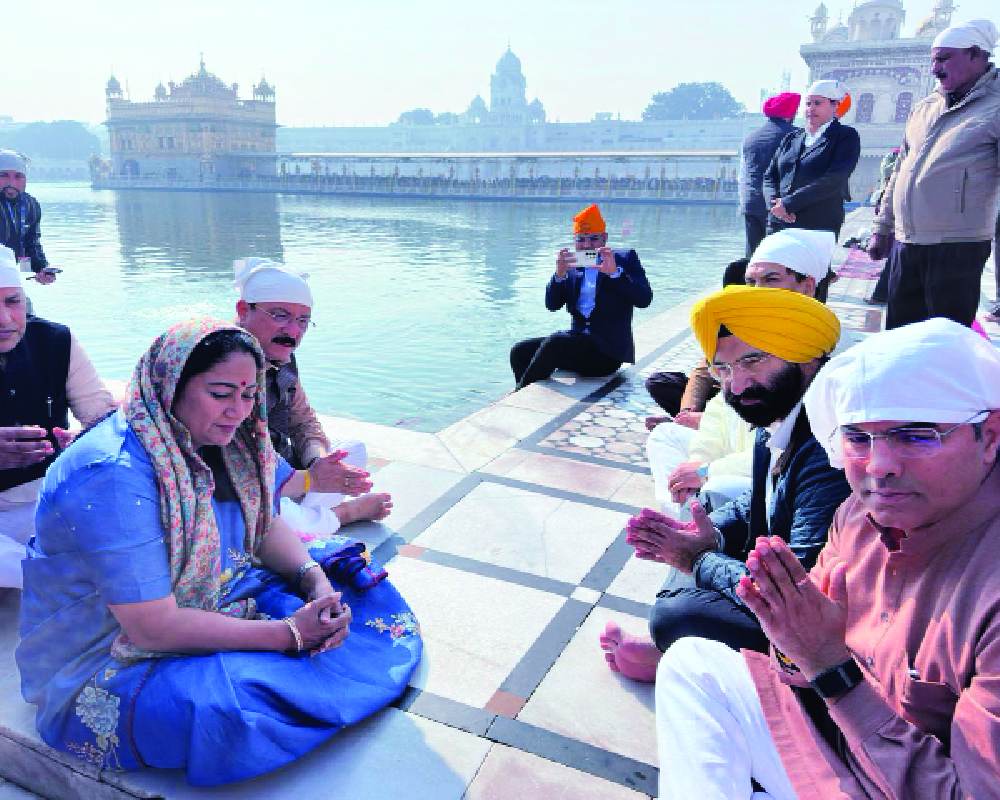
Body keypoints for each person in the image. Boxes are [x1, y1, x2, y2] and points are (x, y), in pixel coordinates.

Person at [16, 320, 421, 786]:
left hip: (214, 589)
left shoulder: (229, 439)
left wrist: (315, 585)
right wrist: (289, 633)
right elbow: (151, 627)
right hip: (108, 649)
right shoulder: (112, 475)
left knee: (350, 586)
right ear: (172, 386)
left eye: (249, 394)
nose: (238, 410)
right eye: (221, 392)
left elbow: (262, 523)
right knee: (229, 710)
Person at [655, 318, 1000, 799]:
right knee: (693, 663)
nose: (879, 467)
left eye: (916, 435)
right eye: (858, 438)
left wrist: (829, 666)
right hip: (835, 737)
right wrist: (795, 639)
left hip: (900, 779)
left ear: (990, 436)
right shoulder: (859, 515)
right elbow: (799, 655)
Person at [602, 287, 849, 682]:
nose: (738, 385)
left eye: (753, 360)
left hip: (829, 626)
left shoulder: (829, 449)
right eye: (725, 369)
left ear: (805, 356)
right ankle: (677, 646)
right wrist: (708, 533)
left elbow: (798, 597)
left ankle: (679, 654)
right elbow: (763, 496)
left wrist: (699, 560)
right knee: (698, 537)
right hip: (783, 569)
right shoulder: (781, 416)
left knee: (676, 616)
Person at [234, 257, 393, 537]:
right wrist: (309, 480)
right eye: (280, 315)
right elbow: (236, 470)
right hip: (247, 483)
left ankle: (309, 519)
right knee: (265, 518)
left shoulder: (282, 359)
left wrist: (319, 463)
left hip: (289, 474)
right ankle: (343, 514)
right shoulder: (226, 364)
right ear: (244, 310)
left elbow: (304, 423)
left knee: (353, 450)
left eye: (303, 320)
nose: (294, 332)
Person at [869, 20, 1000, 329]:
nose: (935, 69)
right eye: (933, 60)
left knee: (944, 338)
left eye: (944, 58)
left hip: (958, 246)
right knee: (900, 335)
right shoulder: (924, 108)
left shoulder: (994, 107)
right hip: (907, 242)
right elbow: (901, 170)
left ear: (976, 56)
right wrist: (883, 227)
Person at [0, 246, 114, 588]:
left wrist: (85, 443)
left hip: (47, 501)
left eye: (12, 302)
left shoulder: (55, 341)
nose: (5, 319)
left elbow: (107, 422)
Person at [509, 204, 652, 390]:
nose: (586, 245)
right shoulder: (572, 264)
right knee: (519, 351)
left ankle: (519, 392)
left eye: (594, 239)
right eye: (581, 239)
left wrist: (615, 274)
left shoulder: (624, 259)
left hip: (607, 352)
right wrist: (559, 275)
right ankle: (528, 392)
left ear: (604, 238)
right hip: (578, 344)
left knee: (556, 342)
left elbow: (644, 300)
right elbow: (552, 305)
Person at [644, 257, 750, 429]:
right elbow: (704, 371)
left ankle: (708, 424)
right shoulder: (725, 322)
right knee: (660, 382)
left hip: (750, 402)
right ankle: (692, 422)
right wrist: (687, 413)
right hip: (723, 392)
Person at [764, 80, 861, 239]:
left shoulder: (845, 137)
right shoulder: (791, 138)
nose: (811, 109)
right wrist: (776, 206)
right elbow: (770, 176)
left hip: (818, 223)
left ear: (835, 106)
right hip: (779, 222)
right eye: (808, 104)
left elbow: (834, 179)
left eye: (817, 103)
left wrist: (789, 204)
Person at [739, 93, 801, 257]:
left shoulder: (751, 138)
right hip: (778, 205)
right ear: (791, 113)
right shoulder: (795, 136)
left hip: (751, 202)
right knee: (777, 258)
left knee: (753, 256)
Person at [0, 150, 55, 286]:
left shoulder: (30, 205)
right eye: (4, 175)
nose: (11, 182)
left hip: (10, 275)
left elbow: (32, 242)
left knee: (22, 306)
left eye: (18, 176)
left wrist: (41, 268)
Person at [744, 227, 837, 301]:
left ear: (808, 287)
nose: (757, 290)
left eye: (772, 279)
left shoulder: (821, 324)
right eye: (751, 281)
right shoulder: (734, 321)